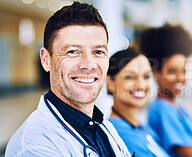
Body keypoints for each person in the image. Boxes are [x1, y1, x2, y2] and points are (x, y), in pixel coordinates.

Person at [5, 2, 130, 157]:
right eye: (73, 52)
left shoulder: (104, 128)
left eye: (98, 51)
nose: (89, 65)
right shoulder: (35, 145)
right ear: (46, 60)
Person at [138, 24, 192, 157]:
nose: (181, 78)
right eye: (172, 71)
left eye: (183, 71)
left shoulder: (177, 107)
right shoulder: (162, 110)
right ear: (156, 72)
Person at [107, 47, 170, 157]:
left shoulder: (141, 127)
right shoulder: (118, 132)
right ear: (110, 83)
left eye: (146, 76)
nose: (141, 85)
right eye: (130, 77)